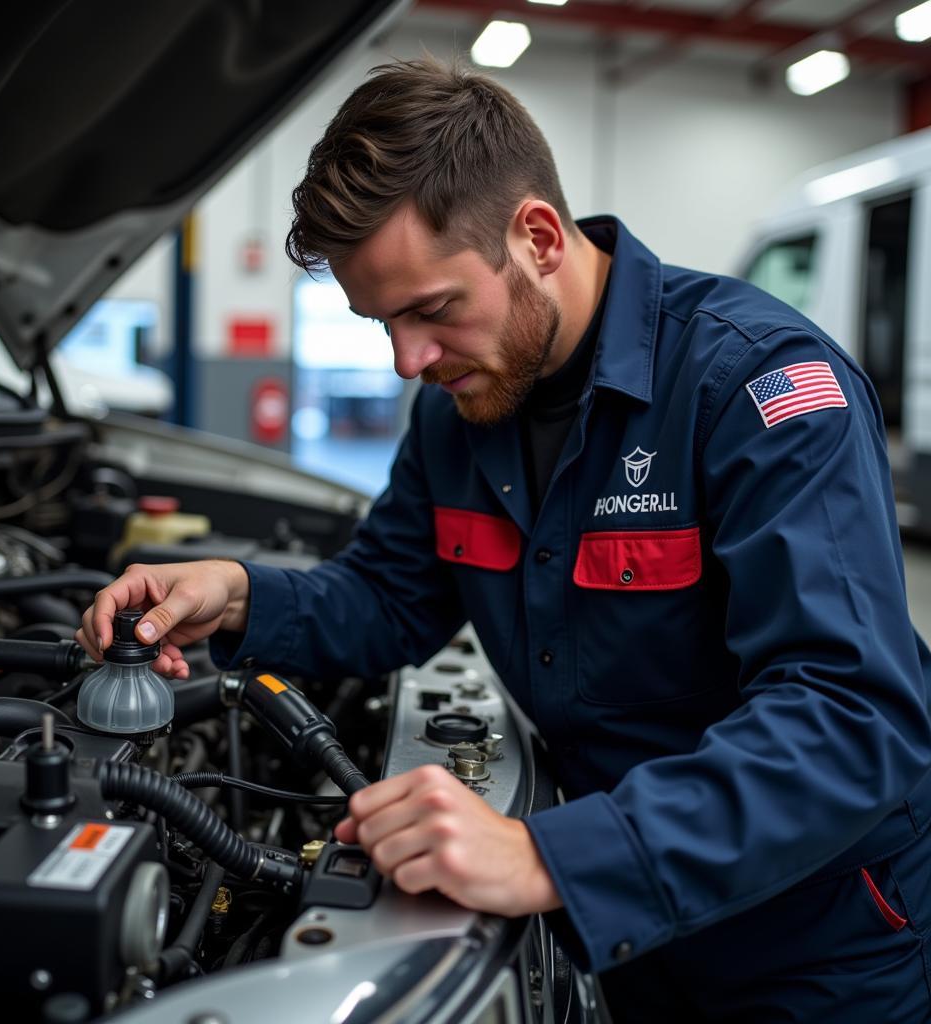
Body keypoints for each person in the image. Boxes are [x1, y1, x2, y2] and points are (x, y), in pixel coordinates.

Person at [78, 58, 931, 1022]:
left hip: (810, 945)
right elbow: (393, 599)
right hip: (624, 926)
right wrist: (234, 593)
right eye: (381, 323)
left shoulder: (755, 390)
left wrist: (544, 855)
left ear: (534, 237)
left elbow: (851, 720)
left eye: (432, 309)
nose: (409, 360)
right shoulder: (461, 409)